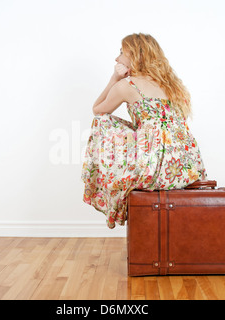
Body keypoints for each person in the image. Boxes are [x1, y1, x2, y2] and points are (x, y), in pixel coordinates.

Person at [81, 33, 208, 229]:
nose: (117, 59)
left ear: (135, 56)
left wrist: (114, 78)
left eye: (121, 52)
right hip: (187, 164)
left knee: (101, 121)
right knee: (147, 131)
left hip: (153, 165)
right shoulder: (172, 86)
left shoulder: (126, 86)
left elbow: (97, 109)